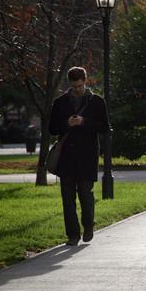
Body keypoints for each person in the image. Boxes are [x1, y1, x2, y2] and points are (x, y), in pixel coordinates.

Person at [49, 67, 109, 246]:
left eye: (80, 86)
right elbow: (52, 128)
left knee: (85, 194)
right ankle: (72, 235)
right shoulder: (60, 102)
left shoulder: (97, 101)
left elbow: (104, 126)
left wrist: (84, 122)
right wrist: (67, 123)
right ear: (69, 83)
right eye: (74, 87)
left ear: (85, 81)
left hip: (87, 154)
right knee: (67, 198)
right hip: (66, 155)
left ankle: (88, 226)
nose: (77, 90)